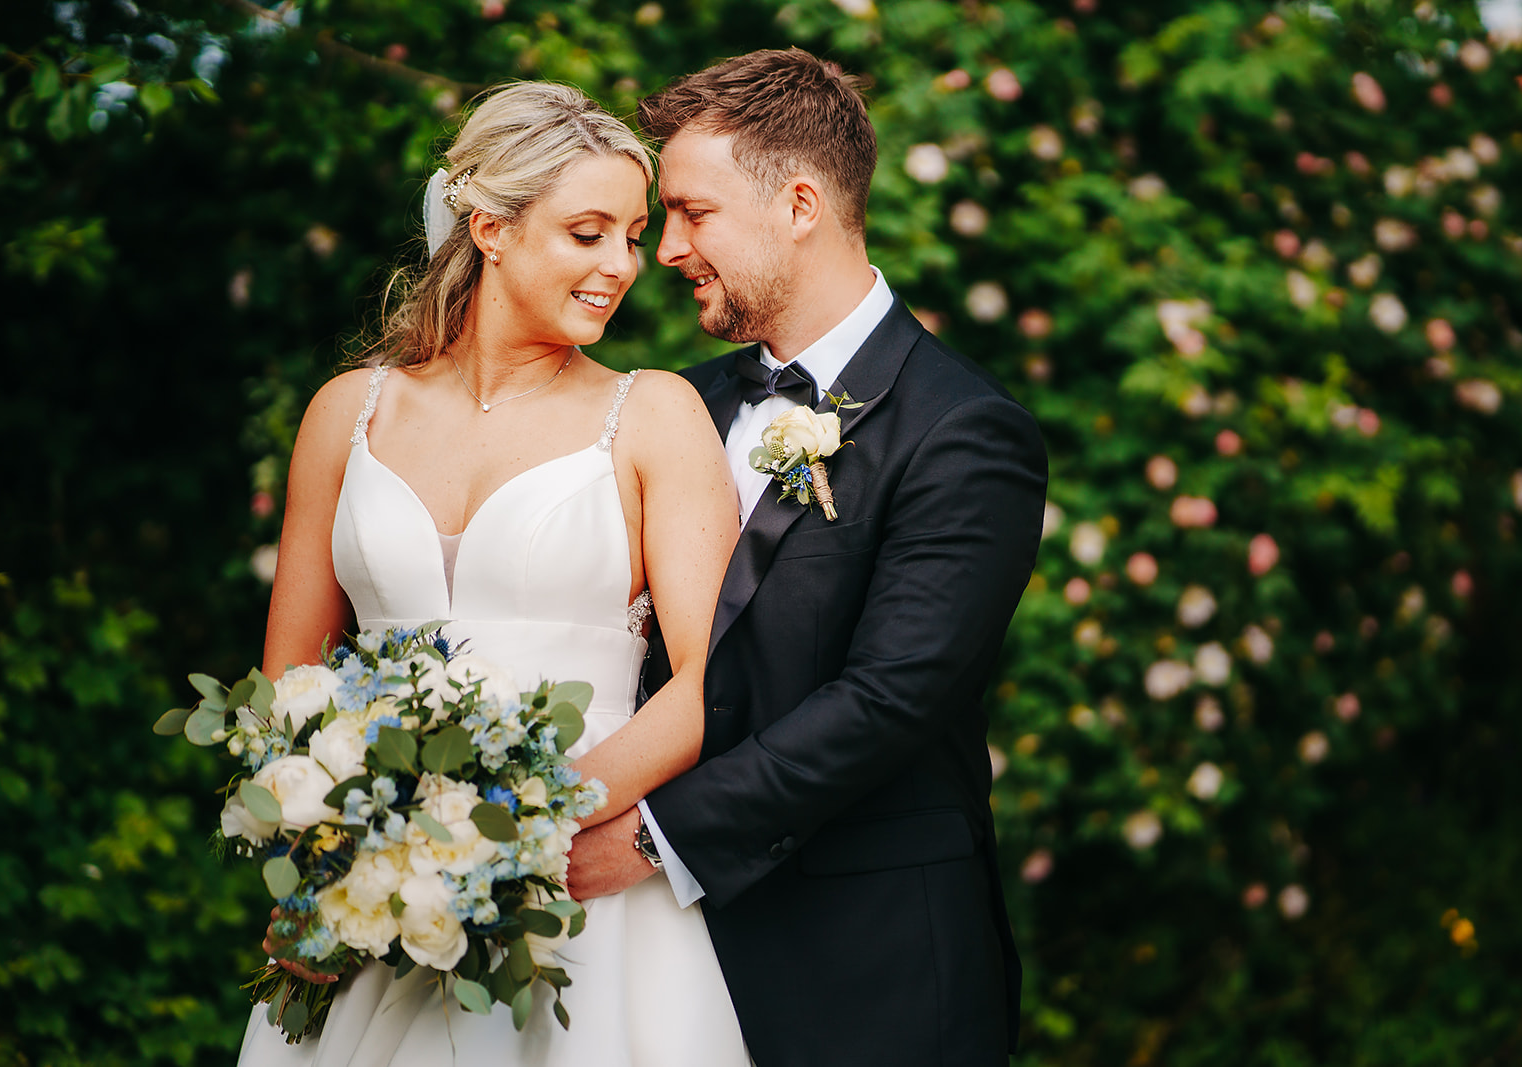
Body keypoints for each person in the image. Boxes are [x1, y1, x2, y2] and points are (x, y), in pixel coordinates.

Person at [237, 82, 750, 1067]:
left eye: (634, 237)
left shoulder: (655, 414)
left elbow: (707, 685)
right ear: (492, 229)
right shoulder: (347, 412)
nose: (622, 267)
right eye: (589, 232)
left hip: (578, 901)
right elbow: (288, 683)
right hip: (365, 902)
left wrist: (514, 834)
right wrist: (331, 858)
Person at [565, 49, 1048, 1066]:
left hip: (870, 967)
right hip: (652, 970)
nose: (667, 249)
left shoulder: (963, 429)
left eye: (694, 213)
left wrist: (655, 835)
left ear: (797, 203)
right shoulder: (672, 405)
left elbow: (887, 699)